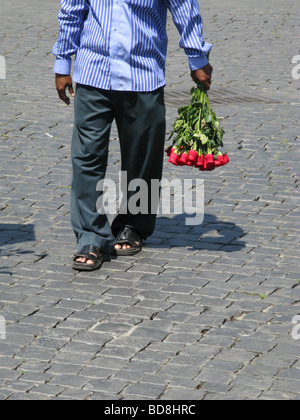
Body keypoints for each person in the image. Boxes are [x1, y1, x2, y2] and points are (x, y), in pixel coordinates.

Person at [53, 0, 213, 271]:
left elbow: (184, 6)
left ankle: (133, 224)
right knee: (86, 157)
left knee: (143, 158)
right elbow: (72, 8)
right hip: (93, 73)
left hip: (143, 74)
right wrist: (62, 62)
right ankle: (91, 237)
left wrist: (197, 57)